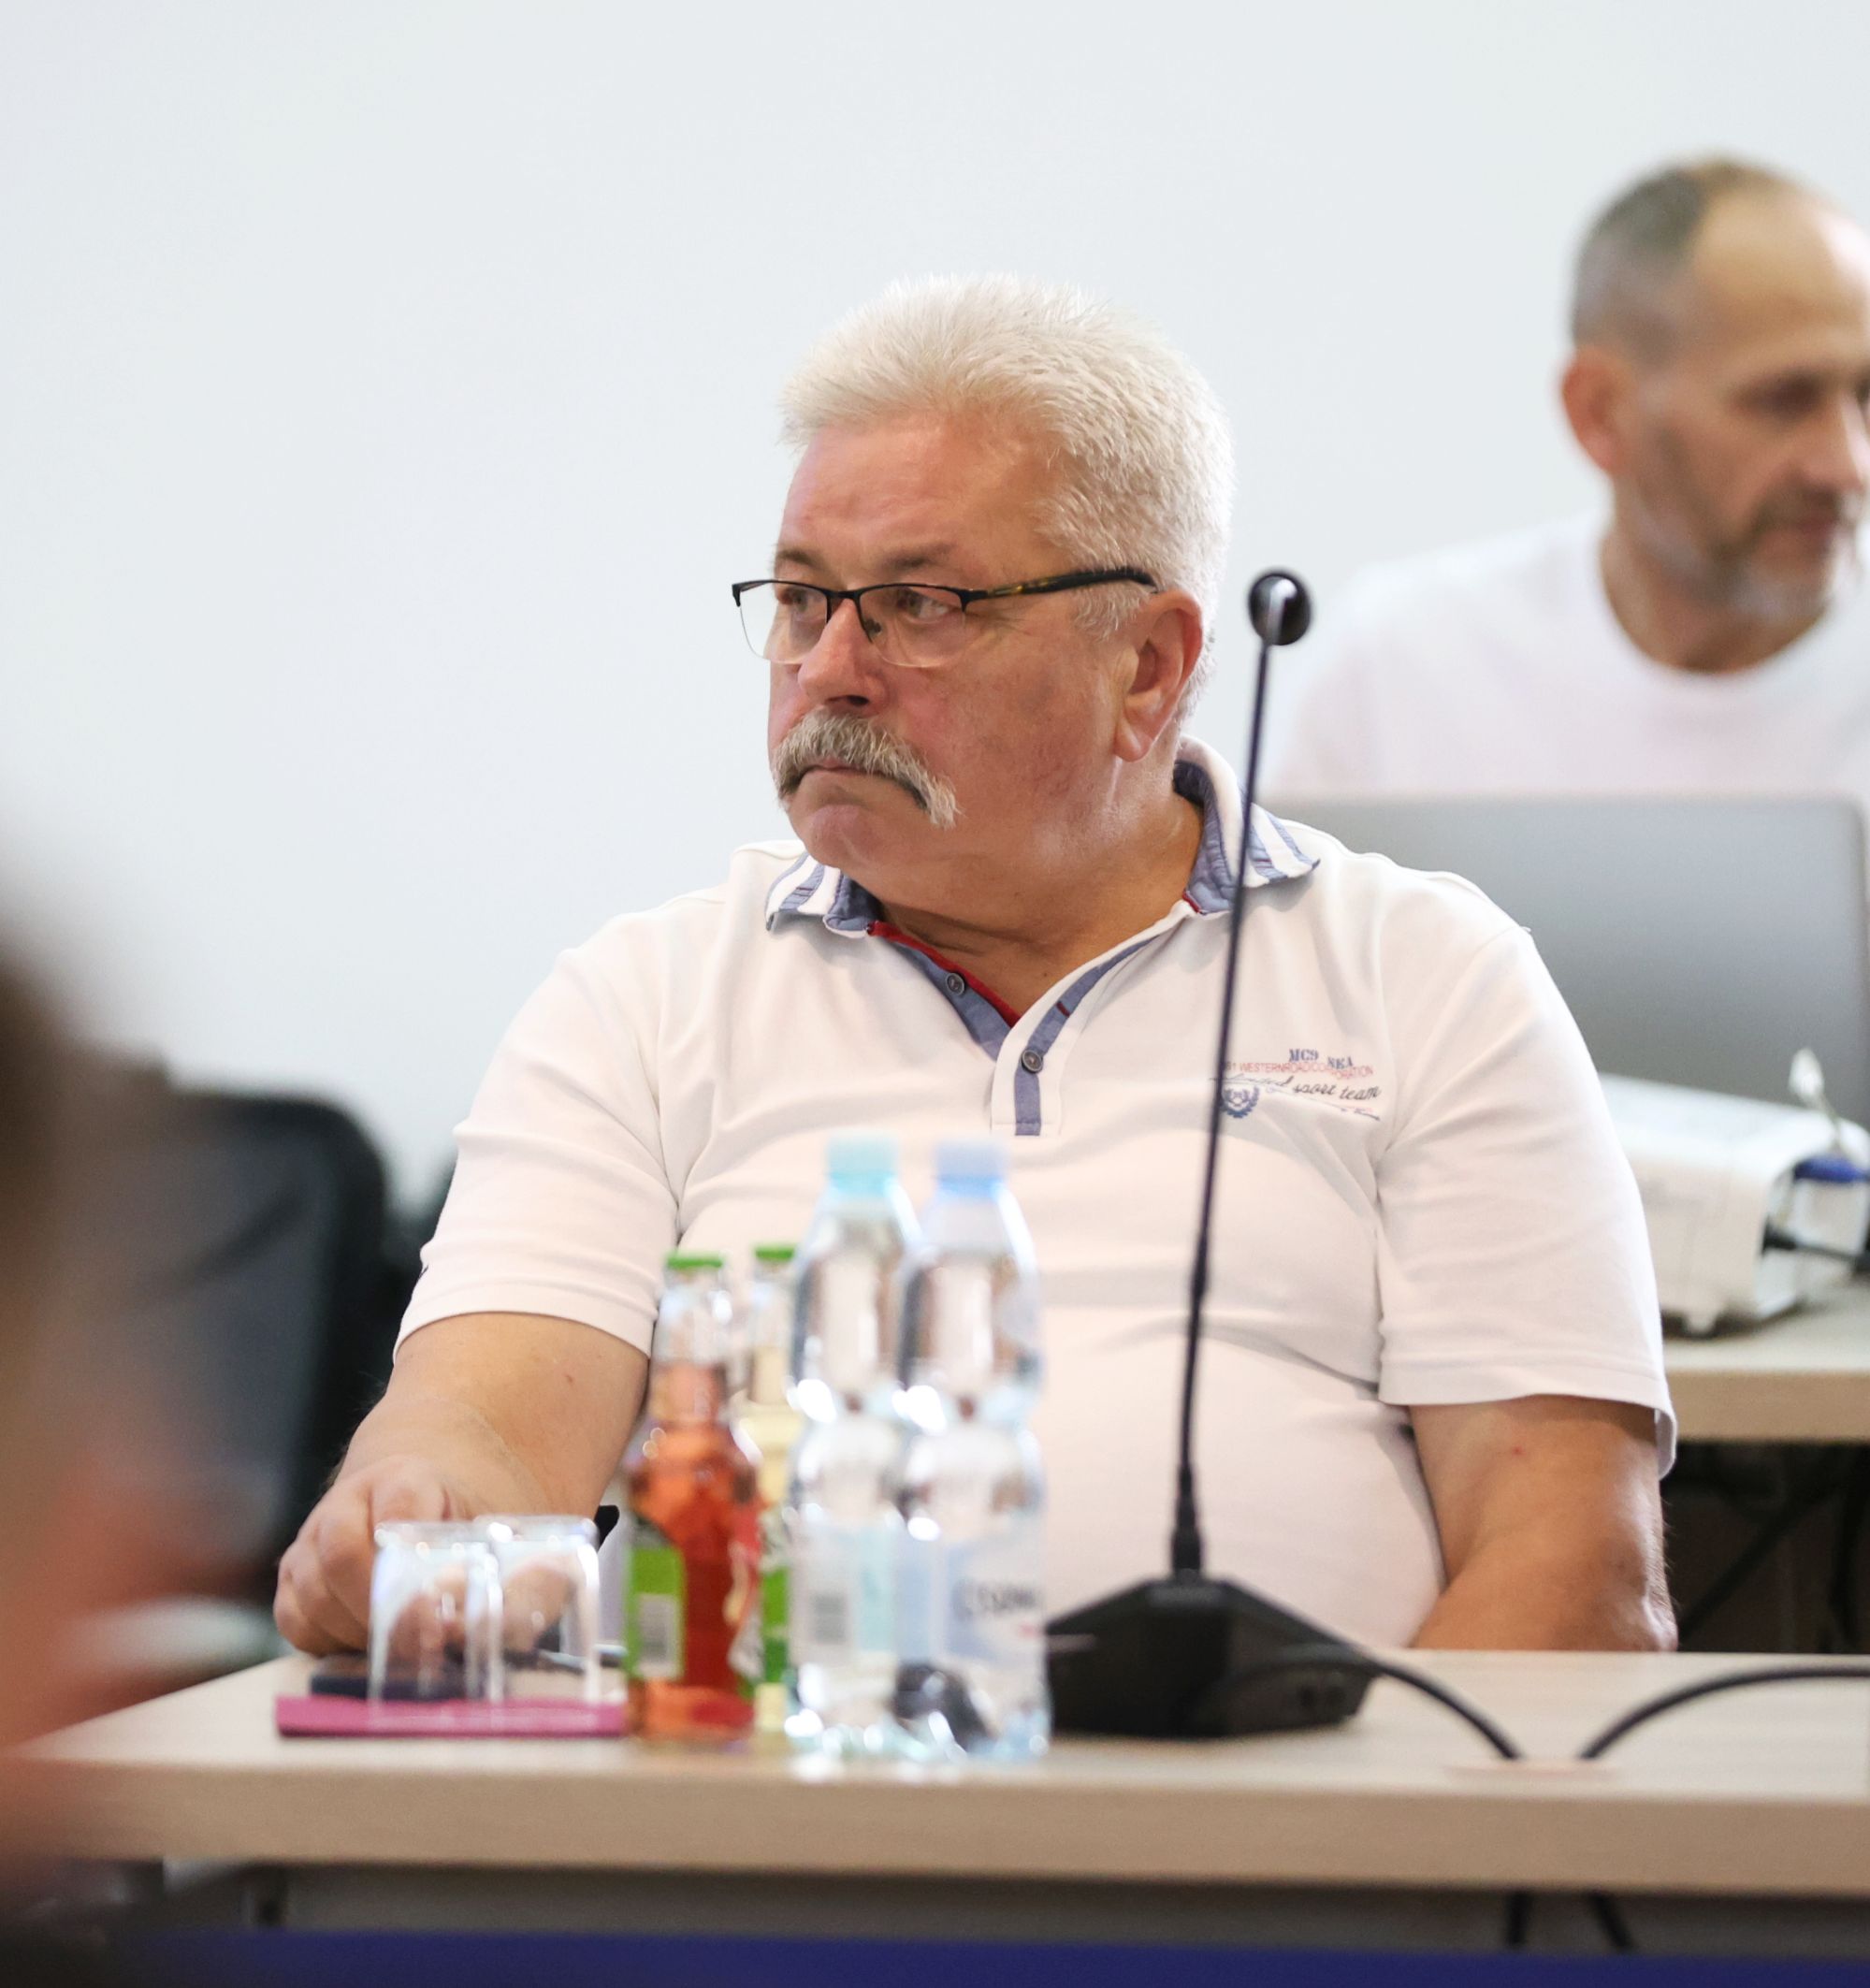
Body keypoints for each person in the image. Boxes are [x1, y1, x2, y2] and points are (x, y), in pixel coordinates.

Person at [276, 278, 1675, 1656]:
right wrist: (406, 1515)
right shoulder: (644, 997)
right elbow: (484, 1429)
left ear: (1147, 666)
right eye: (802, 599)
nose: (830, 667)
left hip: (1285, 1801)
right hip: (739, 1788)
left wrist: (1332, 1801)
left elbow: (1570, 1572)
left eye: (920, 604)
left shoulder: (1424, 976)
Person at [1264, 159, 1870, 805]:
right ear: (1600, 412)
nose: (1849, 466)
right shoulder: (1400, 670)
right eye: (1782, 400)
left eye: (1864, 397)